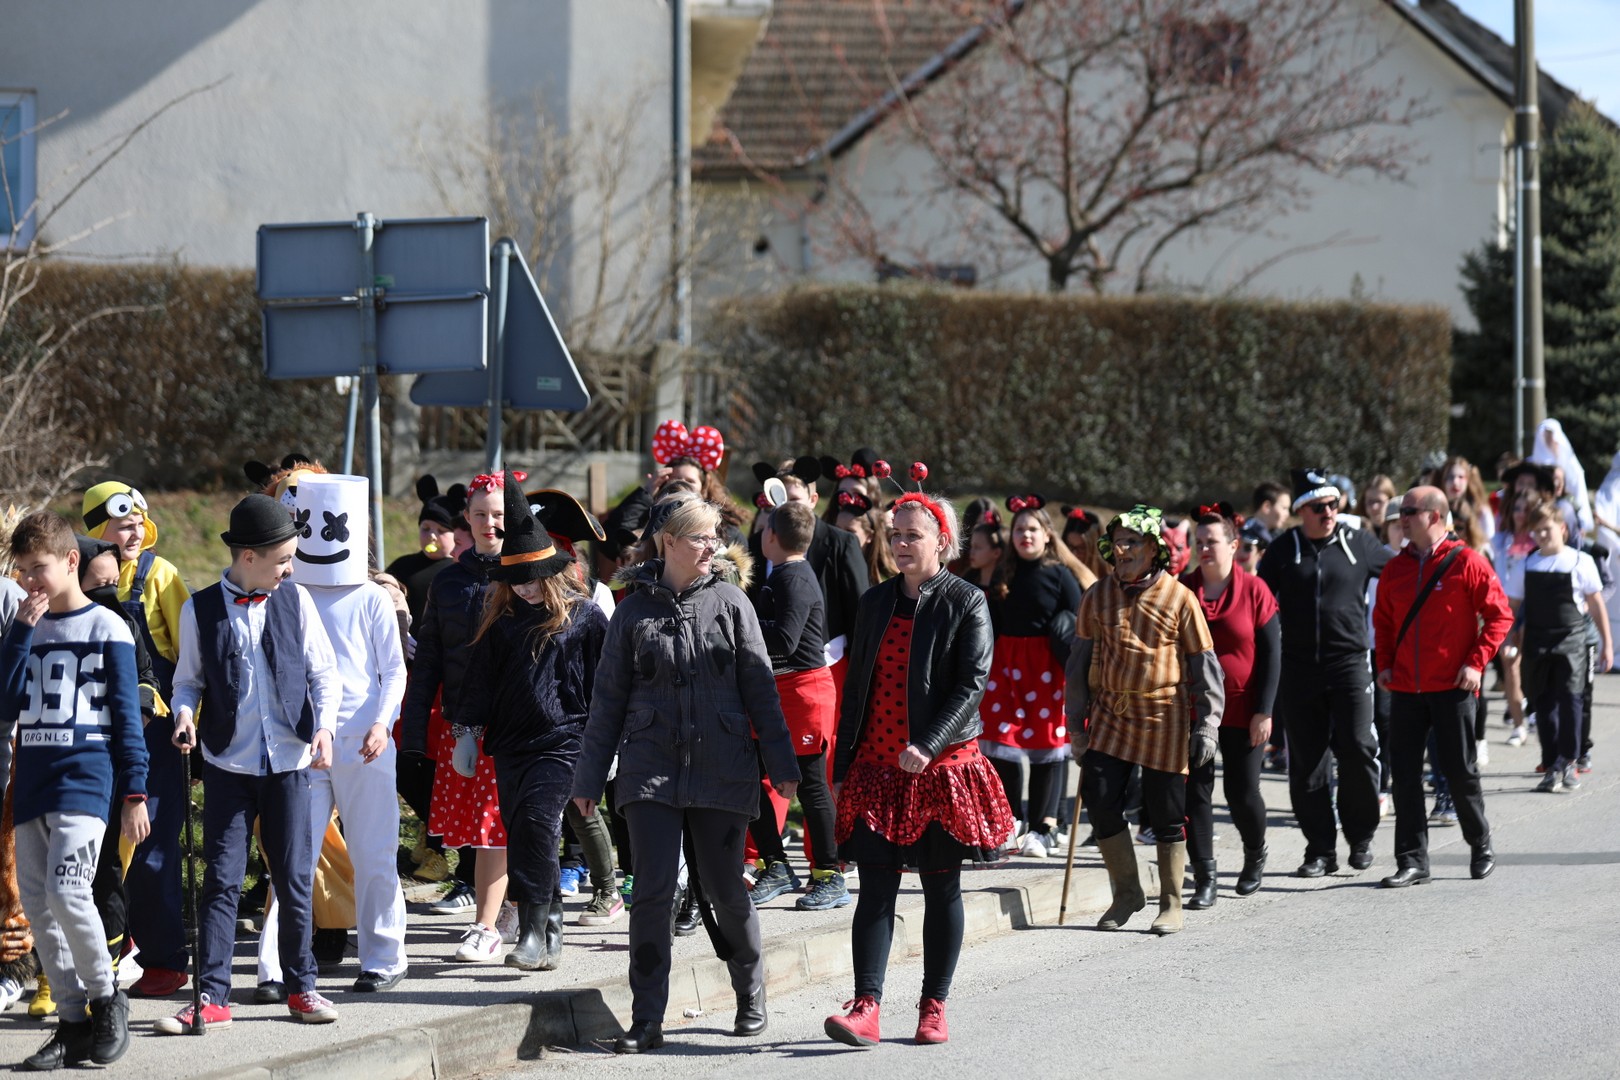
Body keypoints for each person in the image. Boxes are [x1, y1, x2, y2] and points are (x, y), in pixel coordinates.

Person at [571, 495, 800, 1054]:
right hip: (649, 767)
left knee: (725, 887)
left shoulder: (731, 602)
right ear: (668, 541)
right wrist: (587, 778)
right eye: (700, 537)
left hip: (724, 766)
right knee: (651, 893)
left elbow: (760, 687)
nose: (712, 547)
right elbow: (607, 702)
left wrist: (782, 763)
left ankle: (750, 993)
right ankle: (646, 1017)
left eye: (715, 537)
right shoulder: (631, 611)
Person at [823, 482, 1013, 1049]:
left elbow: (971, 683)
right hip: (878, 768)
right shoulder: (875, 601)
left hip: (942, 768)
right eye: (895, 535)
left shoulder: (966, 600)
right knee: (875, 890)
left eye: (914, 535)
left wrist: (929, 743)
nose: (902, 544)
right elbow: (857, 686)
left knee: (940, 887)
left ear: (942, 542)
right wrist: (844, 762)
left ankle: (934, 1007)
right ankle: (866, 1007)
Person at [161, 494, 341, 1033]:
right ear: (249, 557)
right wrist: (184, 715)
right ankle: (211, 998)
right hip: (226, 764)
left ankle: (301, 987)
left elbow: (323, 673)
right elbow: (188, 680)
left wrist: (326, 727)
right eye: (283, 559)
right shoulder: (200, 608)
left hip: (289, 760)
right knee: (220, 878)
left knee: (293, 876)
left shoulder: (296, 600)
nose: (290, 568)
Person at [0, 511, 149, 1069]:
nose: (28, 582)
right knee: (38, 906)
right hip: (33, 780)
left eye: (37, 569)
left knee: (69, 893)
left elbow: (127, 720)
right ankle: (71, 1021)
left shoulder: (106, 628)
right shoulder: (25, 627)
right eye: (19, 571)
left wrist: (135, 792)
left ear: (69, 562)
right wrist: (18, 632)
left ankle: (107, 998)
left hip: (86, 779)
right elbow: (5, 705)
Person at [255, 475, 409, 997]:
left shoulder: (370, 597)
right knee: (292, 854)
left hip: (364, 742)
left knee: (374, 851)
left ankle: (383, 956)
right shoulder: (286, 592)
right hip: (304, 742)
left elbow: (394, 669)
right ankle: (276, 966)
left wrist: (382, 723)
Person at [460, 477, 608, 971]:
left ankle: (530, 929)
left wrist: (612, 747)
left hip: (565, 739)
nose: (522, 587)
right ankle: (552, 924)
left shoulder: (585, 618)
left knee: (538, 826)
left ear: (552, 572)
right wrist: (467, 731)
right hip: (511, 743)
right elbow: (478, 679)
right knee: (519, 830)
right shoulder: (500, 622)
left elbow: (608, 685)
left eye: (532, 577)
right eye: (514, 578)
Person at [1065, 505, 1223, 936]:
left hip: (1164, 715)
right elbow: (1077, 667)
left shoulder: (1180, 598)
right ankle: (1129, 893)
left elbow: (1205, 664)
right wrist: (1076, 728)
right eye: (1117, 543)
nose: (1122, 550)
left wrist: (1207, 723)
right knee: (1099, 796)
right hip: (1111, 715)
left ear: (1153, 548)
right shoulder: (1096, 595)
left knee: (1166, 813)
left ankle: (1171, 903)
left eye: (1132, 542)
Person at [79, 481, 192, 1000]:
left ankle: (164, 959)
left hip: (156, 735)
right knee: (100, 850)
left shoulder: (161, 574)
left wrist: (191, 720)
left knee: (150, 850)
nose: (132, 530)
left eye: (137, 522)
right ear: (94, 531)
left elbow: (189, 660)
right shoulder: (77, 583)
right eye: (121, 522)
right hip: (96, 735)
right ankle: (107, 950)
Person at [1373, 487, 1513, 888]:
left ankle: (1480, 842)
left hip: (1453, 686)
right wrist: (1384, 665)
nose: (1401, 517)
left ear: (1434, 516)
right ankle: (1413, 860)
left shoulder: (1467, 561)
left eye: (1410, 511)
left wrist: (1476, 662)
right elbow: (1382, 622)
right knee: (1404, 774)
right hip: (1405, 688)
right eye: (1401, 511)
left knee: (1459, 771)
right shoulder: (1394, 568)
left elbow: (1500, 616)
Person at [400, 473, 515, 958]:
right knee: (475, 825)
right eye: (481, 514)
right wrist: (410, 730)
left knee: (495, 825)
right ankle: (506, 907)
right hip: (460, 722)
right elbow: (428, 658)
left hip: (512, 723)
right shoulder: (446, 581)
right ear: (466, 520)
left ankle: (488, 924)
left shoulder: (528, 574)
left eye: (500, 515)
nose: (490, 523)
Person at [1257, 469, 1390, 876]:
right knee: (1308, 761)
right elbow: (1260, 605)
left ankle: (1361, 836)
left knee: (1357, 748)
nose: (1329, 512)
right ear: (1301, 511)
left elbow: (1401, 577)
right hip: (1299, 668)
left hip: (1349, 664)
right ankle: (1319, 849)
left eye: (1333, 504)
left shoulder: (1359, 543)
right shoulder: (1282, 550)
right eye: (1319, 506)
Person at [747, 501, 848, 911]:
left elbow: (786, 640)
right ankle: (776, 864)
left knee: (810, 786)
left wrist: (744, 621)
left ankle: (829, 873)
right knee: (750, 775)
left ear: (771, 536)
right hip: (778, 689)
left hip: (804, 689)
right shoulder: (782, 574)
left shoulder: (795, 578)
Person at [1180, 503, 1280, 905]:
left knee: (1242, 792)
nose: (1204, 549)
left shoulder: (1256, 590)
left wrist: (1265, 710)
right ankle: (1205, 877)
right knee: (1196, 793)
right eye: (1199, 542)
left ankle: (1255, 854)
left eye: (1212, 542)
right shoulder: (1183, 590)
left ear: (1234, 545)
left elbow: (1273, 653)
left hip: (1244, 708)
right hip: (1195, 709)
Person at [979, 496, 1088, 857]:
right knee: (1003, 742)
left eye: (1032, 529)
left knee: (1047, 747)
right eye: (1019, 529)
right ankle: (1012, 818)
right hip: (1006, 665)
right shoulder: (1003, 572)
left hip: (1045, 670)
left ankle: (1045, 826)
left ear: (1046, 534)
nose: (1025, 535)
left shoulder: (1059, 574)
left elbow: (1078, 621)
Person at [1513, 503, 1613, 791]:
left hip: (1572, 642)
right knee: (1542, 705)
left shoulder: (1580, 561)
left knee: (1571, 702)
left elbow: (1595, 605)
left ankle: (1569, 761)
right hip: (1537, 642)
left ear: (1563, 529)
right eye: (1537, 530)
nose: (1543, 534)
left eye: (1548, 528)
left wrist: (1607, 644)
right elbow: (1514, 606)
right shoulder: (1528, 564)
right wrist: (1510, 638)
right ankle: (1550, 763)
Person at [1493, 490, 1544, 745]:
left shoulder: (1539, 541)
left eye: (1526, 509)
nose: (1520, 514)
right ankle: (1518, 725)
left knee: (1533, 669)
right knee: (1509, 664)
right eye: (1517, 508)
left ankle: (1537, 714)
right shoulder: (1502, 540)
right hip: (1506, 611)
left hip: (1533, 610)